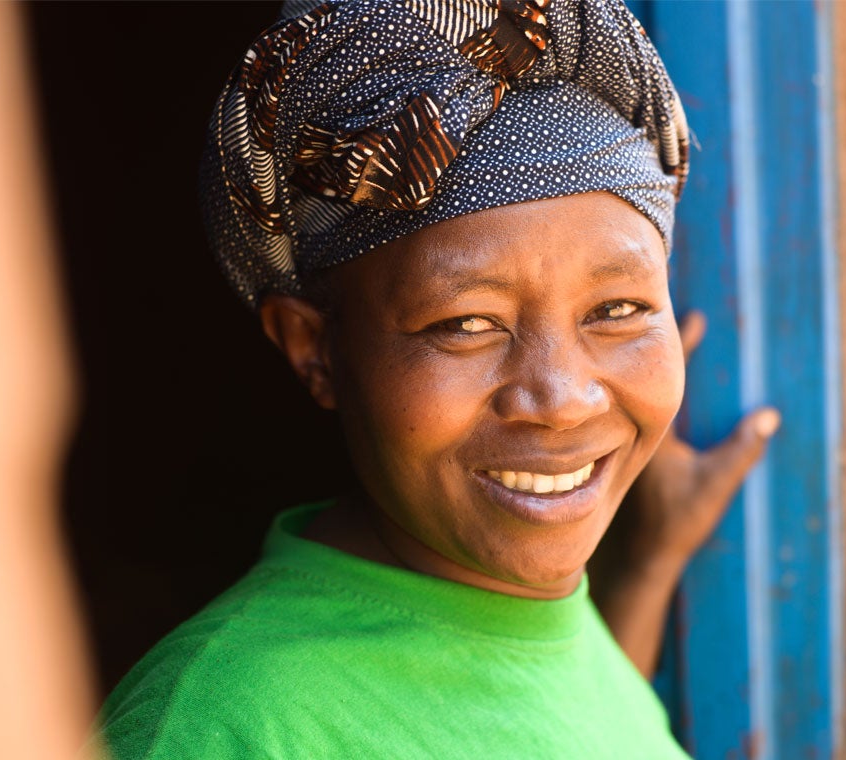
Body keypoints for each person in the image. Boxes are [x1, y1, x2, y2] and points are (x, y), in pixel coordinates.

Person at [95, 1, 778, 757]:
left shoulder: (540, 617)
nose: (561, 400)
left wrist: (649, 568)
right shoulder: (223, 727)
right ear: (313, 348)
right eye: (466, 324)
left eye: (617, 309)